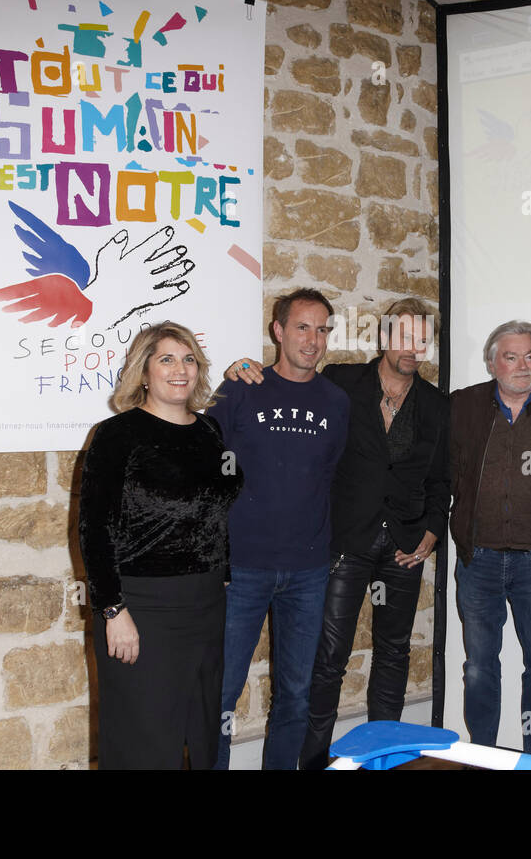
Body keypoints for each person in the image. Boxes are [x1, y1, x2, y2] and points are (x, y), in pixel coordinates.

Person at [223, 297, 450, 771]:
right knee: (324, 661)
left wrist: (433, 528)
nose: (413, 347)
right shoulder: (343, 384)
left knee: (392, 654)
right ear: (384, 338)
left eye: (421, 338)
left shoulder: (434, 403)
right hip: (344, 542)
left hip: (403, 546)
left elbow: (443, 476)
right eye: (403, 336)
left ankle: (383, 757)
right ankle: (312, 760)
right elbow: (278, 384)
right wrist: (241, 365)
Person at [78, 322, 242, 769]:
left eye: (189, 359)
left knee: (203, 733)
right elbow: (94, 530)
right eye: (166, 358)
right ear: (144, 371)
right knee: (143, 739)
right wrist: (113, 611)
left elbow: (215, 509)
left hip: (205, 604)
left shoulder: (209, 432)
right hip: (141, 607)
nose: (180, 369)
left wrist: (223, 575)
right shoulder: (117, 435)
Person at [207, 288, 351, 770]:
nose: (313, 340)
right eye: (303, 327)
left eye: (322, 329)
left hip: (308, 572)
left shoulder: (336, 401)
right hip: (241, 569)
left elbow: (328, 474)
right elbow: (205, 466)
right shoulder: (240, 389)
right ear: (279, 331)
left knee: (295, 694)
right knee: (220, 693)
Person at [449, 321, 531, 758]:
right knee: (479, 668)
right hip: (477, 559)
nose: (522, 366)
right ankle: (482, 753)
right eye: (510, 357)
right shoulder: (462, 406)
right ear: (491, 363)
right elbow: (439, 473)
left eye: (530, 356)